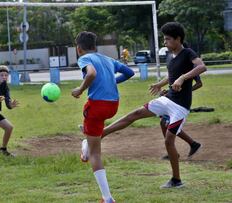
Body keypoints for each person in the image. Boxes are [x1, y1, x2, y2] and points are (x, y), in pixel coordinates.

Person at [81, 22, 207, 189]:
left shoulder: (187, 53)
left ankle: (176, 180)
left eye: (168, 39)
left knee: (169, 140)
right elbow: (172, 76)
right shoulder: (171, 57)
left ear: (178, 39)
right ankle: (101, 134)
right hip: (168, 99)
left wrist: (183, 78)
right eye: (164, 39)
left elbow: (202, 67)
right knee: (135, 114)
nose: (165, 42)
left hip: (180, 106)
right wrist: (160, 84)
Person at [72, 31, 134, 203]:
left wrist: (80, 89)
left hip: (97, 106)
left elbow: (91, 74)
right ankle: (86, 144)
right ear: (95, 46)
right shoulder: (108, 59)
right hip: (113, 106)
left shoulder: (84, 59)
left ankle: (107, 198)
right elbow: (129, 72)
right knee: (93, 135)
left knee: (95, 153)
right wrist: (114, 81)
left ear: (79, 49)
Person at [159, 75, 202, 160]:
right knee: (164, 123)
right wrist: (167, 92)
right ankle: (191, 145)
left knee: (167, 124)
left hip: (181, 102)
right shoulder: (176, 65)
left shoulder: (191, 67)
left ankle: (174, 151)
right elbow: (170, 79)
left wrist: (186, 91)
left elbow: (199, 83)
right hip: (171, 99)